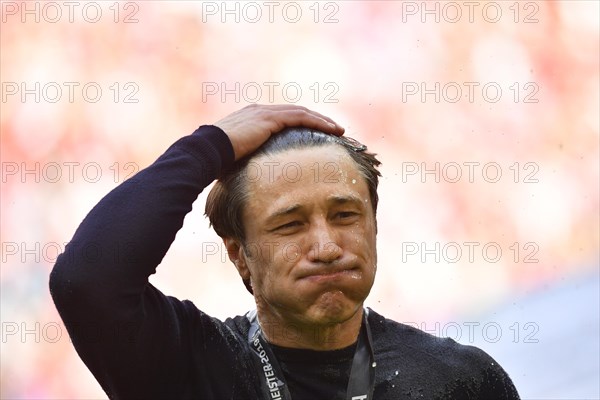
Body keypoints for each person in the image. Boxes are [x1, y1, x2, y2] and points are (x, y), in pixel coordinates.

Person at [50, 104, 520, 399]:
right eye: (290, 225)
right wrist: (207, 147)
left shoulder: (461, 380)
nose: (326, 247)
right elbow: (88, 280)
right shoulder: (189, 367)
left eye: (344, 215)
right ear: (240, 255)